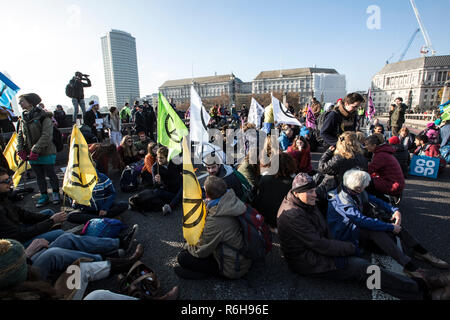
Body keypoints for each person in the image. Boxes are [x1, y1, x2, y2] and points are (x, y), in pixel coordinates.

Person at [277, 172, 448, 300]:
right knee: (363, 268)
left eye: (315, 190)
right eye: (310, 192)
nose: (315, 194)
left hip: (319, 248)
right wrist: (348, 248)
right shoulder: (293, 215)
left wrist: (394, 211)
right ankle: (423, 290)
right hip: (307, 261)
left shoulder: (305, 201)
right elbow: (320, 244)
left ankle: (420, 280)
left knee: (365, 263)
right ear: (297, 192)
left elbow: (324, 233)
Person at [327, 169, 448, 274]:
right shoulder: (343, 201)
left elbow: (374, 199)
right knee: (377, 231)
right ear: (358, 188)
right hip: (345, 233)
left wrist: (394, 210)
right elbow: (361, 221)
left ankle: (421, 251)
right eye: (364, 186)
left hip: (354, 225)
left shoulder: (352, 188)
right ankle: (409, 266)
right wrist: (389, 227)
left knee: (392, 224)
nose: (366, 188)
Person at [174, 176, 252, 280]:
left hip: (232, 267)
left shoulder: (216, 220)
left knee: (183, 257)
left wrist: (188, 245)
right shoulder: (231, 198)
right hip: (242, 255)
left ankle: (207, 274)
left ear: (207, 194)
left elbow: (201, 251)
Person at [0, 167, 66, 246]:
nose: (10, 182)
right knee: (59, 234)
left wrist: (51, 219)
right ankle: (48, 248)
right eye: (5, 181)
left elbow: (23, 214)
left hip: (17, 230)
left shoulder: (3, 196)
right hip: (14, 245)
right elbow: (20, 235)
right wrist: (51, 221)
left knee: (49, 213)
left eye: (9, 179)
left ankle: (54, 244)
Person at [17, 93, 61, 207]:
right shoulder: (23, 118)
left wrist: (35, 149)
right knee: (39, 176)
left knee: (51, 174)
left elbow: (47, 135)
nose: (20, 103)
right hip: (31, 154)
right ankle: (44, 195)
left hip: (46, 151)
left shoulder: (44, 116)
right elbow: (20, 135)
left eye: (22, 101)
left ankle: (56, 193)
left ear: (30, 102)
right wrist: (20, 149)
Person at [316, 131, 368, 202]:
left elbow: (322, 168)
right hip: (354, 190)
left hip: (336, 190)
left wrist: (328, 153)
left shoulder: (340, 157)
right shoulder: (362, 158)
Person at [253, 152, 296, 230]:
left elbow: (260, 199)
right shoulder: (293, 182)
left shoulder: (265, 179)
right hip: (285, 219)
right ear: (290, 165)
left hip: (267, 218)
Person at [364, 134, 405, 202]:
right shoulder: (383, 152)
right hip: (396, 183)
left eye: (367, 145)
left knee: (364, 181)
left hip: (393, 185)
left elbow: (369, 170)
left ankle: (384, 199)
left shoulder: (381, 155)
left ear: (374, 145)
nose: (365, 147)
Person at [152, 146, 182, 216]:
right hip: (169, 190)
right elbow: (155, 185)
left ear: (167, 158)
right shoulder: (155, 167)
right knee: (156, 192)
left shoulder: (174, 161)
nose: (159, 160)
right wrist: (158, 182)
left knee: (185, 185)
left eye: (161, 158)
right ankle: (179, 199)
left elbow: (185, 170)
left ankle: (171, 206)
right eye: (158, 157)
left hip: (179, 186)